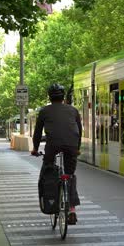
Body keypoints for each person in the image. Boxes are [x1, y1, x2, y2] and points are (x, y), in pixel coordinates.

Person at [31, 83, 82, 225]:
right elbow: (79, 130)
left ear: (49, 97)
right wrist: (77, 148)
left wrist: (35, 149)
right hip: (72, 145)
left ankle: (51, 200)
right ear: (63, 96)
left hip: (52, 146)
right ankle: (72, 210)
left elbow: (37, 133)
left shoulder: (44, 111)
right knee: (70, 175)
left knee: (48, 169)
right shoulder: (73, 110)